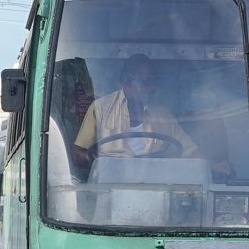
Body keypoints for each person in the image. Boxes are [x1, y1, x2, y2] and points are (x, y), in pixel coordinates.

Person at [73, 54, 201, 168]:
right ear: (127, 82)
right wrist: (102, 165)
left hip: (155, 186)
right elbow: (79, 153)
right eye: (147, 82)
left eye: (155, 82)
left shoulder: (163, 115)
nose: (153, 88)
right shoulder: (101, 108)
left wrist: (215, 166)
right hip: (109, 188)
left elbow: (190, 151)